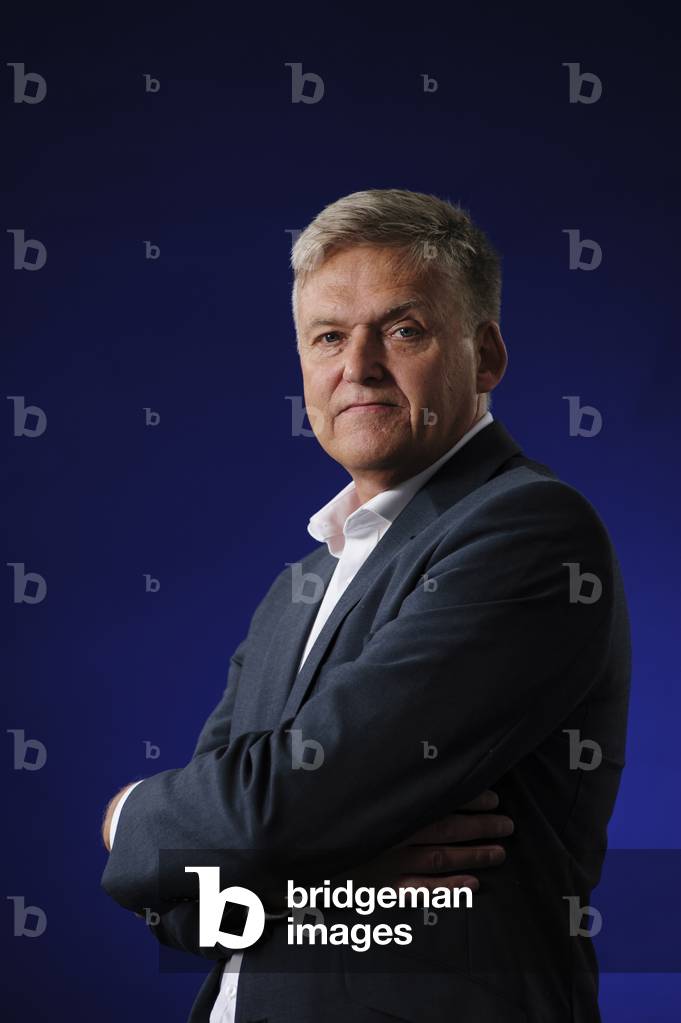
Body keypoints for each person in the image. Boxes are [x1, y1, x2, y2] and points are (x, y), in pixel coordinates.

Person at [101, 188, 631, 1022]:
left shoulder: (527, 530)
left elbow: (263, 820)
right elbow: (183, 910)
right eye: (327, 337)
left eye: (403, 329)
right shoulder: (297, 587)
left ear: (484, 355)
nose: (359, 366)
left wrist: (124, 813)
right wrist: (324, 868)